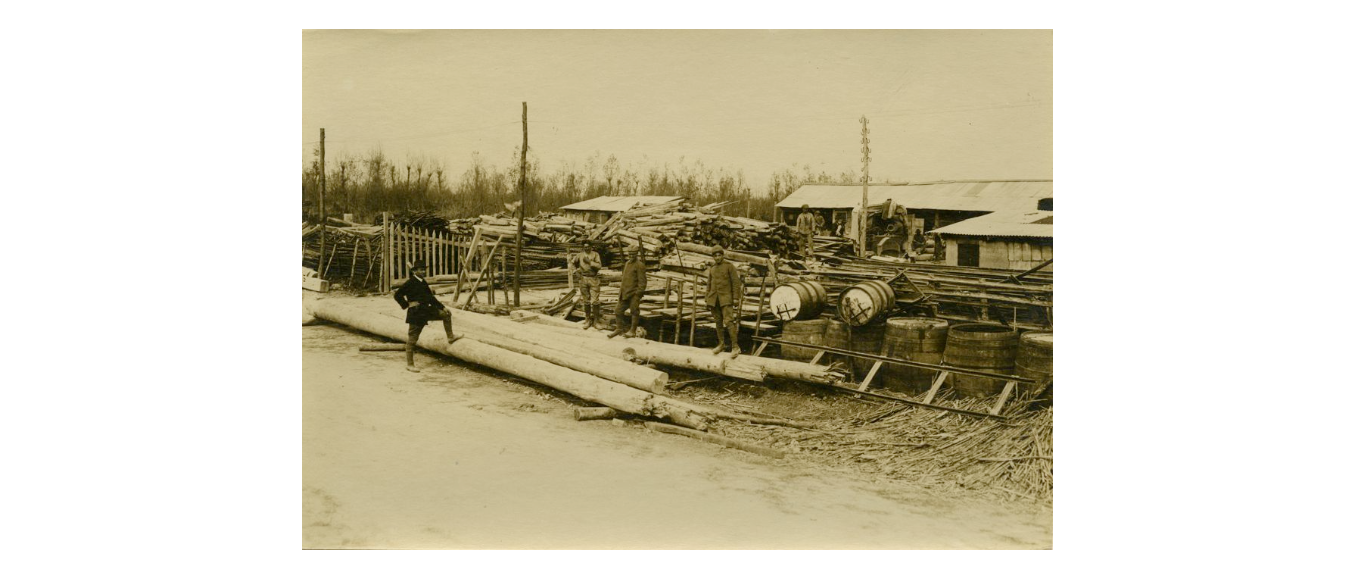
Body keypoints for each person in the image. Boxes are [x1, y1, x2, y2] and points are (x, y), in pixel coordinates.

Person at [394, 259, 458, 373]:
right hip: (416, 313)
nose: (423, 271)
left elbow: (430, 298)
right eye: (421, 269)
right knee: (413, 339)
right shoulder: (410, 282)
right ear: (415, 271)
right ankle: (410, 364)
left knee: (446, 314)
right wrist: (407, 304)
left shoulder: (422, 281)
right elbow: (397, 295)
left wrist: (442, 307)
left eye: (424, 269)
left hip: (426, 310)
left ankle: (450, 337)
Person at [704, 247, 744, 357]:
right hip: (714, 299)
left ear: (722, 255)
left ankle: (735, 347)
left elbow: (736, 283)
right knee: (718, 322)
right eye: (715, 256)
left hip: (726, 299)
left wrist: (736, 298)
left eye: (719, 255)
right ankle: (721, 344)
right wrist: (707, 298)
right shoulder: (712, 269)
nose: (717, 258)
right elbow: (709, 285)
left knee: (729, 322)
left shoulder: (729, 267)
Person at [608, 245, 648, 338]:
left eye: (633, 254)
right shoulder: (627, 264)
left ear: (636, 254)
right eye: (629, 254)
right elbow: (625, 280)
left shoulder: (640, 265)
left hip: (634, 294)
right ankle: (619, 329)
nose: (631, 256)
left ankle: (632, 331)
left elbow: (643, 283)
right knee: (618, 311)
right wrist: (621, 293)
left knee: (634, 312)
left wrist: (638, 295)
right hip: (625, 293)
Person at [573, 239, 603, 329]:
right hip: (583, 278)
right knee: (586, 301)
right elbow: (572, 263)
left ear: (591, 246)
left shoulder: (595, 254)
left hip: (593, 278)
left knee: (595, 301)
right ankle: (587, 320)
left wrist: (589, 262)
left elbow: (599, 266)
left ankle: (596, 321)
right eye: (585, 247)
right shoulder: (579, 255)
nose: (586, 248)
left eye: (588, 247)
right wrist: (576, 272)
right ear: (583, 247)